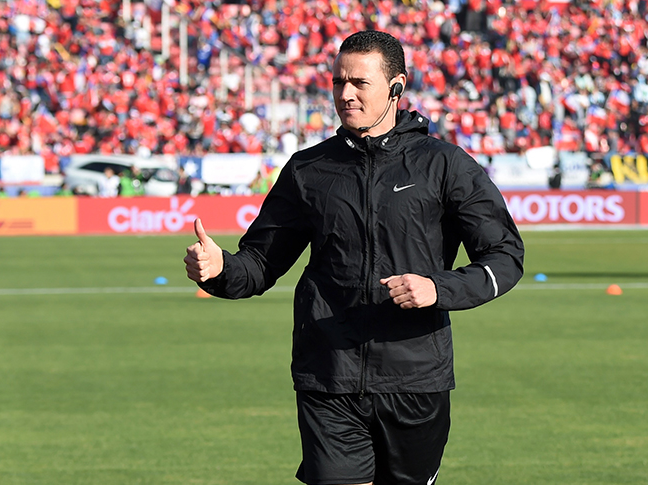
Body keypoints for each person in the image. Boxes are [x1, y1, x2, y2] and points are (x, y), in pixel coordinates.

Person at [184, 31, 525, 485]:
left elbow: (504, 256)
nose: (345, 94)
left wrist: (438, 288)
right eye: (338, 81)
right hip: (328, 374)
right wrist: (221, 269)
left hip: (415, 379)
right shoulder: (308, 169)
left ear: (397, 87)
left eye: (360, 83)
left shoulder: (444, 165)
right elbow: (260, 264)